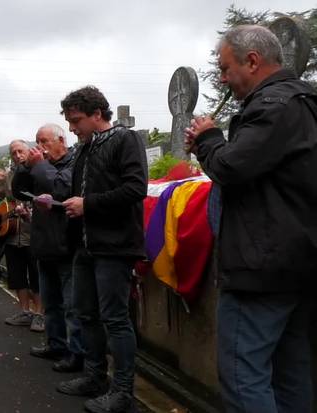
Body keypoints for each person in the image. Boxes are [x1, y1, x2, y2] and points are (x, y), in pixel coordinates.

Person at [185, 25, 317, 413]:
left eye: (226, 69)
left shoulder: (271, 106)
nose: (223, 78)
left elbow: (231, 167)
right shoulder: (306, 101)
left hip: (261, 267)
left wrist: (208, 139)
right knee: (291, 372)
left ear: (253, 61)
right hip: (299, 262)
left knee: (244, 377)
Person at [55, 87, 147, 413]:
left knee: (115, 319)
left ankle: (123, 393)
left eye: (76, 120)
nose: (71, 128)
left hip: (114, 246)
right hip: (85, 245)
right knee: (86, 314)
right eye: (68, 121)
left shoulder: (126, 139)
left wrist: (87, 205)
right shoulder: (84, 149)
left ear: (97, 114)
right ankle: (95, 377)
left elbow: (136, 188)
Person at [13, 124, 85, 374]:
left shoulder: (73, 162)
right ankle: (55, 344)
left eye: (45, 141)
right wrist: (25, 166)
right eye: (37, 141)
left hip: (66, 244)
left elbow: (60, 188)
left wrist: (39, 166)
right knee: (51, 302)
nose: (40, 147)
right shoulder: (40, 166)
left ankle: (77, 354)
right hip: (44, 243)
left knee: (72, 305)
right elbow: (17, 191)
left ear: (61, 140)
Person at [0, 140, 43, 332]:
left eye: (20, 151)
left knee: (36, 276)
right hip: (11, 235)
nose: (17, 155)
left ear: (28, 152)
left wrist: (31, 214)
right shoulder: (9, 177)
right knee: (17, 276)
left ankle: (39, 315)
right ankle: (24, 312)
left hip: (33, 234)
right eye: (13, 153)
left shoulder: (40, 172)